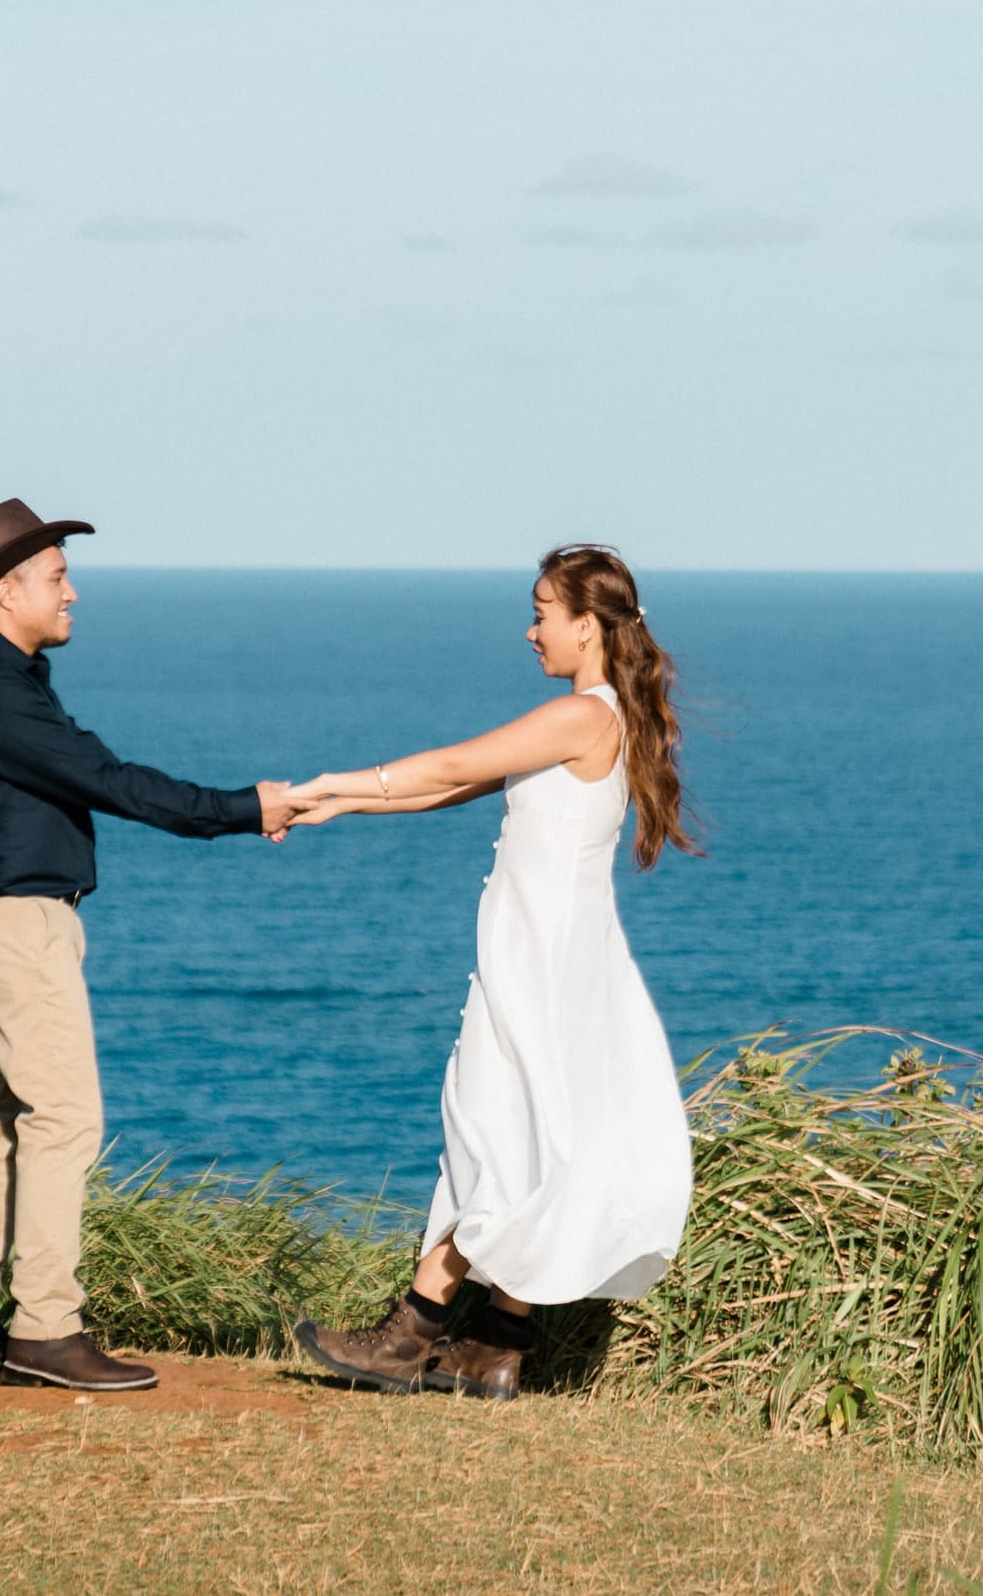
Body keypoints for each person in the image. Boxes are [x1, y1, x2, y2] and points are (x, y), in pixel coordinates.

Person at [282, 543, 698, 1400]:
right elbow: (452, 788)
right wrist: (342, 802)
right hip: (559, 953)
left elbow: (452, 763)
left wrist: (327, 776)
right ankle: (497, 1345)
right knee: (526, 1131)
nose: (530, 628)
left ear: (586, 625)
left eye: (542, 610)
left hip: (539, 958)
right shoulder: (600, 717)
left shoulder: (584, 715)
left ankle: (413, 1330)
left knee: (489, 1124)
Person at [0, 497, 302, 1394]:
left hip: (2, 917)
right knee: (66, 1119)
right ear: (6, 590)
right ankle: (46, 1329)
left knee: (16, 1121)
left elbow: (95, 773)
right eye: (55, 577)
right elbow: (112, 781)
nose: (73, 592)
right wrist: (245, 808)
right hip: (15, 923)